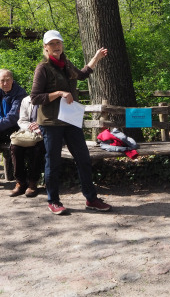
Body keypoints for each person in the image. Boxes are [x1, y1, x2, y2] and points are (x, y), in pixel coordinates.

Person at [30, 30, 111, 215]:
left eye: (58, 43)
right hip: (51, 122)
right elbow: (35, 98)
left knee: (83, 159)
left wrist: (96, 58)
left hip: (70, 120)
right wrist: (59, 93)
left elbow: (82, 75)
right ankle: (53, 201)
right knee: (53, 162)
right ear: (45, 47)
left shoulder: (66, 64)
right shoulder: (43, 68)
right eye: (52, 44)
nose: (56, 46)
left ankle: (91, 199)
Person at [9, 95, 46, 197]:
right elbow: (22, 120)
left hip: (44, 133)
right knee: (15, 147)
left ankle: (33, 182)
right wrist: (31, 127)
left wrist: (41, 126)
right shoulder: (26, 100)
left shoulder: (50, 98)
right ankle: (20, 182)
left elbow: (54, 119)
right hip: (29, 132)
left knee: (37, 148)